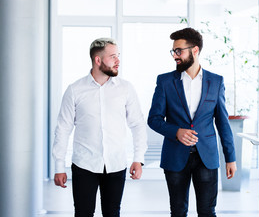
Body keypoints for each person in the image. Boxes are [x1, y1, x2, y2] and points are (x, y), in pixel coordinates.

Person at [52, 38, 147, 217]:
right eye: (113, 57)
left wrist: (138, 158)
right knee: (83, 213)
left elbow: (137, 124)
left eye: (118, 56)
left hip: (116, 164)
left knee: (112, 213)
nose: (118, 61)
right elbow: (63, 129)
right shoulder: (75, 90)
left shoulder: (126, 89)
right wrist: (59, 166)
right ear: (98, 60)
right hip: (84, 164)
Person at [148, 27, 237, 217]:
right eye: (173, 51)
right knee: (178, 211)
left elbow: (222, 122)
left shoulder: (216, 81)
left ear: (195, 50)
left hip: (207, 157)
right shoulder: (165, 82)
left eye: (179, 51)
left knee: (207, 211)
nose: (174, 56)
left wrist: (230, 157)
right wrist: (176, 131)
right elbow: (154, 119)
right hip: (175, 156)